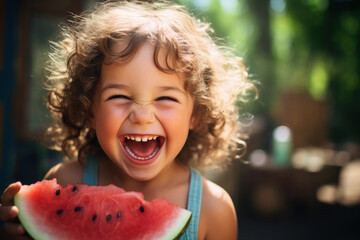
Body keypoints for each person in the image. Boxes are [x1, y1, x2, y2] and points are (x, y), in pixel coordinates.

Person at [0, 1, 252, 239]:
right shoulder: (65, 179)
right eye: (119, 96)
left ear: (196, 113)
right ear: (89, 108)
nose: (142, 116)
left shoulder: (214, 209)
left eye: (166, 98)